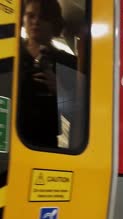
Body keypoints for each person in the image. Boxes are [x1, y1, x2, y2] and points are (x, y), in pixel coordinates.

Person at [18, 0, 76, 148]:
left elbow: (82, 116)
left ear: (54, 23)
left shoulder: (67, 62)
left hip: (45, 144)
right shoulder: (9, 52)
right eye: (31, 15)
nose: (36, 21)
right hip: (8, 136)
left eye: (43, 17)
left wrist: (59, 91)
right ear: (23, 18)